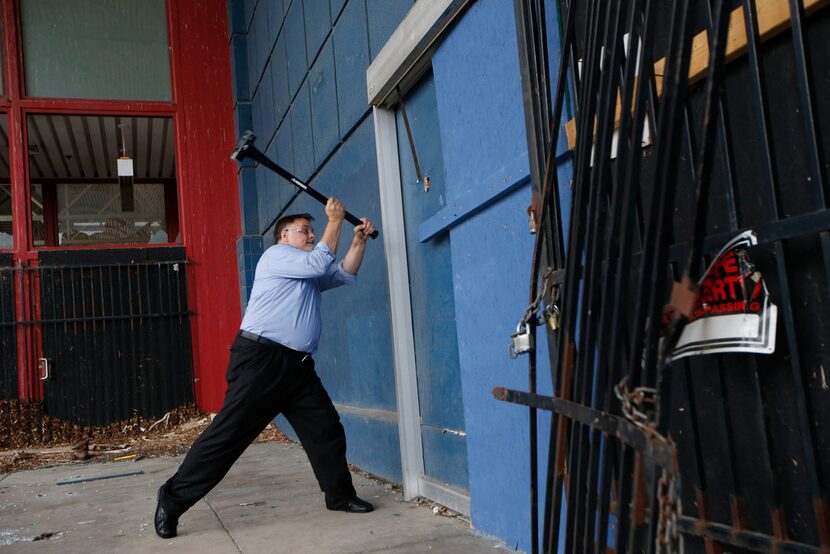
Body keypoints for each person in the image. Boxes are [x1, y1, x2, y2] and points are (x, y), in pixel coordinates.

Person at [155, 197, 377, 539]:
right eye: (305, 230)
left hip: (298, 369)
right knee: (227, 438)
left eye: (313, 230)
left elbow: (345, 272)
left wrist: (357, 241)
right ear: (284, 236)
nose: (311, 235)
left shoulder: (306, 268)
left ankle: (340, 496)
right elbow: (321, 261)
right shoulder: (276, 257)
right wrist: (335, 221)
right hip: (261, 361)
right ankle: (171, 501)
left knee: (326, 429)